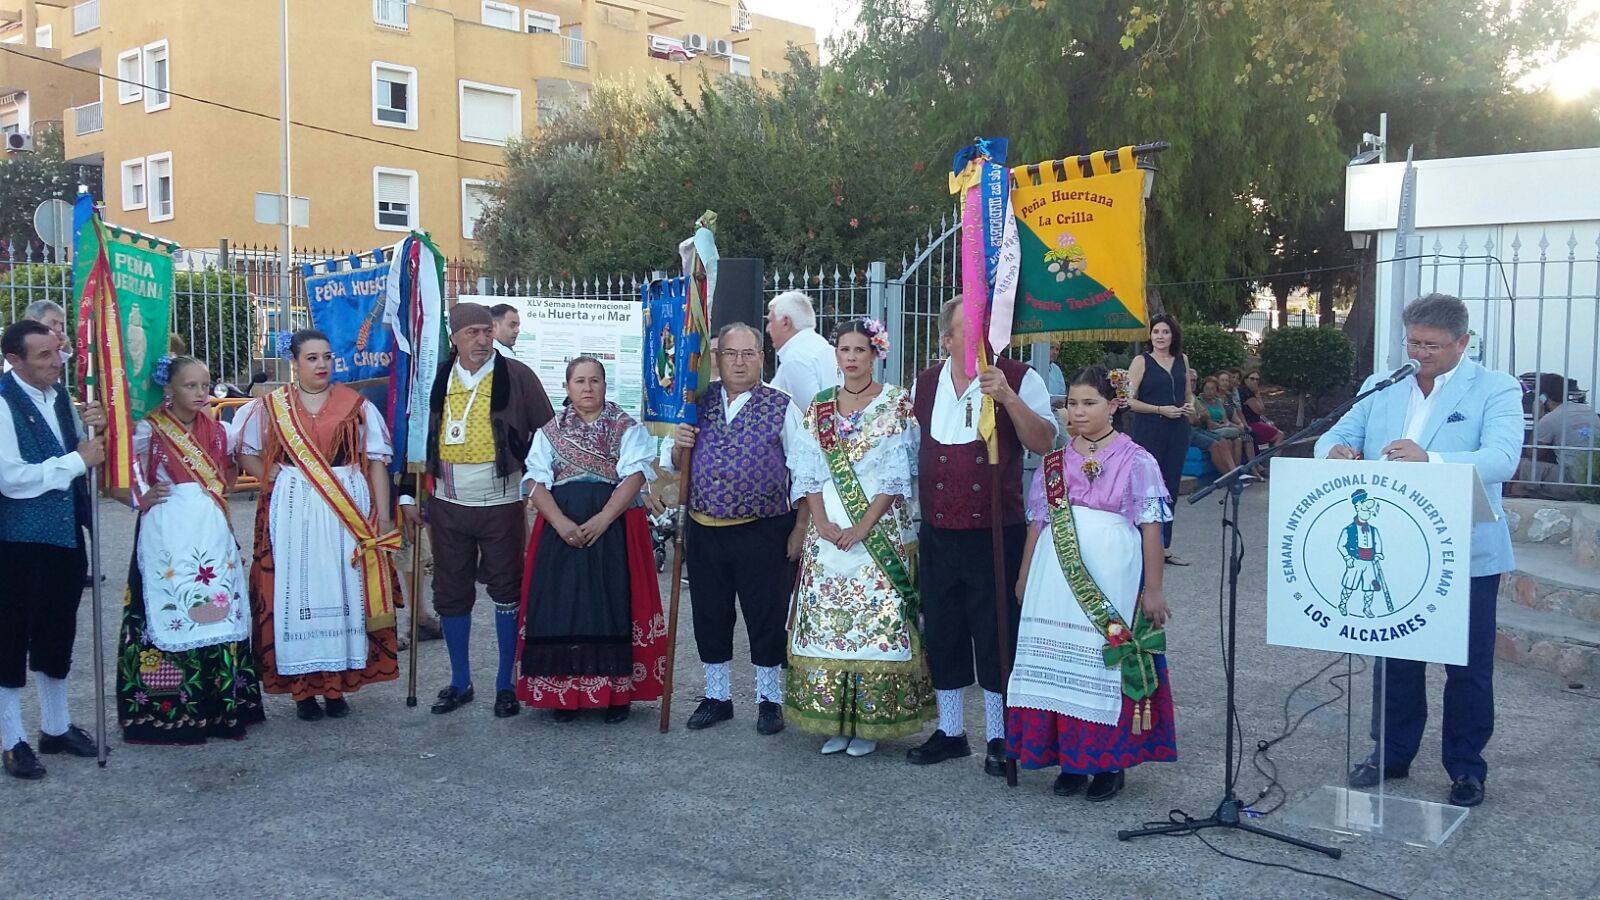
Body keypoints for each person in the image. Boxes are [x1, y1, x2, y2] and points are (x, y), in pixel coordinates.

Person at [1316, 292, 1522, 808]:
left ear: (1462, 342)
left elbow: (1501, 459)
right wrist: (1335, 451)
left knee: (1468, 666)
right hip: (1398, 546)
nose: (1420, 353)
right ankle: (1391, 753)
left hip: (1467, 551)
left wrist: (1428, 459)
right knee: (1395, 657)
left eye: (1431, 345)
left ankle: (1466, 767)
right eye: (1412, 341)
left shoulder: (1494, 389)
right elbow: (1332, 436)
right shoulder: (1381, 386)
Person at [1007, 367, 1176, 801]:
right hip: (1054, 574)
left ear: (1115, 405)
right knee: (1062, 667)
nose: (1078, 412)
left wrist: (1153, 589)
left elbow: (1151, 527)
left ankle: (1107, 763)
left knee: (1101, 662)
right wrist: (1025, 574)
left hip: (1111, 573)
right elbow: (1037, 524)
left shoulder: (1136, 459)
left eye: (1089, 403)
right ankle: (1069, 760)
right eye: (1072, 404)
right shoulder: (1054, 463)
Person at [908, 298, 1057, 776]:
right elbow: (910, 449)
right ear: (946, 340)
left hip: (996, 530)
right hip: (938, 530)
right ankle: (952, 732)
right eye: (965, 333)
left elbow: (1043, 442)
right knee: (945, 632)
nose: (977, 342)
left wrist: (1008, 398)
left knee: (995, 635)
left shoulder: (1019, 376)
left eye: (984, 333)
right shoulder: (925, 383)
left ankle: (999, 734)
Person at [399, 303, 555, 717]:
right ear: (454, 337)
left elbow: (547, 433)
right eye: (473, 332)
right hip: (447, 504)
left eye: (487, 331)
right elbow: (415, 438)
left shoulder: (517, 376)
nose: (483, 340)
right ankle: (460, 680)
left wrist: (543, 487)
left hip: (502, 503)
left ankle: (506, 683)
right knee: (451, 592)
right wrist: (407, 494)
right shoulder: (434, 378)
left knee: (507, 589)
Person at [786, 319, 933, 756]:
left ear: (875, 355)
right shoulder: (821, 406)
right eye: (844, 350)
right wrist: (822, 522)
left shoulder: (895, 404)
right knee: (830, 627)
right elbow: (808, 469)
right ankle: (835, 719)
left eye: (860, 351)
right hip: (827, 530)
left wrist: (862, 527)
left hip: (877, 532)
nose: (851, 358)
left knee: (875, 627)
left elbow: (896, 476)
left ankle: (868, 725)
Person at [238, 329, 401, 722]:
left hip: (345, 506)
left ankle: (336, 686)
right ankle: (302, 691)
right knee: (297, 593)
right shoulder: (271, 407)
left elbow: (377, 461)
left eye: (327, 357)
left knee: (341, 590)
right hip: (294, 511)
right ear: (295, 363)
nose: (322, 365)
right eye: (312, 358)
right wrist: (270, 475)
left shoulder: (356, 405)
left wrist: (381, 517)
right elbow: (245, 452)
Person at [664, 323, 806, 735]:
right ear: (718, 358)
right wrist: (679, 443)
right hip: (705, 527)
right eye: (731, 354)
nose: (739, 362)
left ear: (762, 358)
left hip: (762, 528)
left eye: (748, 354)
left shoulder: (782, 406)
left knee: (765, 614)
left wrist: (800, 526)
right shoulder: (698, 403)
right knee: (710, 613)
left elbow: (806, 470)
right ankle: (717, 696)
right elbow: (674, 463)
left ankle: (769, 700)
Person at [115, 355, 265, 744]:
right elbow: (119, 475)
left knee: (218, 609)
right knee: (170, 608)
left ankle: (223, 706)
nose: (200, 393)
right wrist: (140, 496)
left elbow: (228, 478)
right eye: (190, 386)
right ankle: (171, 709)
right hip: (166, 531)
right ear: (169, 388)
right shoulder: (147, 430)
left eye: (205, 385)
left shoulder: (219, 432)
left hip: (210, 531)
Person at [516, 356, 665, 721]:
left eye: (594, 381)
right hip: (560, 527)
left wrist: (602, 519)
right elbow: (535, 480)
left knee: (611, 605)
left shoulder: (626, 428)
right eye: (579, 381)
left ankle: (615, 696)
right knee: (562, 607)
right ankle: (563, 694)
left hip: (614, 526)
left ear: (604, 385)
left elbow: (634, 477)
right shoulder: (549, 432)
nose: (587, 388)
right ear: (567, 388)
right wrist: (560, 523)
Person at [0, 320, 107, 779]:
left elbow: (79, 446)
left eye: (57, 353)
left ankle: (55, 726)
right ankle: (12, 738)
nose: (54, 363)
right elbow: (11, 477)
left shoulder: (61, 397)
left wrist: (90, 426)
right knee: (10, 637)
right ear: (15, 360)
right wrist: (75, 460)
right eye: (42, 356)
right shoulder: (3, 402)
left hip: (64, 532)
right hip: (18, 539)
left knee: (57, 629)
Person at [1126, 315, 1193, 565]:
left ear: (1173, 335)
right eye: (1156, 332)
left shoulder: (1181, 360)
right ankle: (1141, 544)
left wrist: (1189, 406)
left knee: (1170, 487)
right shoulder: (1141, 361)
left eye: (1165, 332)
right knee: (1147, 486)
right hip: (1150, 428)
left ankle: (1163, 546)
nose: (1160, 336)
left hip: (1178, 429)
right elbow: (1128, 400)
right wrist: (1160, 410)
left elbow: (1188, 394)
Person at [1519, 373, 1599, 498]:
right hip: (1594, 479)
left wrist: (1538, 420)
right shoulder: (1589, 410)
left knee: (1520, 465)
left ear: (1542, 397)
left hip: (1573, 482)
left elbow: (1533, 453)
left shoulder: (1551, 419)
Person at [766, 290, 840, 412]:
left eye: (771, 321)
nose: (768, 328)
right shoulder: (821, 346)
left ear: (785, 322)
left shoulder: (795, 357)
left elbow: (816, 414)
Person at [1192, 375, 1244, 475]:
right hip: (1209, 430)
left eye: (1212, 389)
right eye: (1207, 389)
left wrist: (1225, 424)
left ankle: (1237, 471)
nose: (1210, 392)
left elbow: (1225, 419)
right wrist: (1224, 425)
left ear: (1216, 390)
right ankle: (1230, 474)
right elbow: (1210, 424)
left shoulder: (1218, 401)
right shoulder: (1199, 401)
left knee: (1238, 440)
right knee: (1227, 441)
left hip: (1222, 429)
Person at [1238, 370, 1284, 449]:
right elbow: (1260, 410)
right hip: (1250, 424)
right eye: (1252, 379)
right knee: (1279, 435)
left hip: (1253, 422)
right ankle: (1274, 459)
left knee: (1272, 428)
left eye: (1257, 379)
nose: (1255, 381)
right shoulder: (1246, 393)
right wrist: (1257, 394)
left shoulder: (1246, 391)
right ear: (1245, 380)